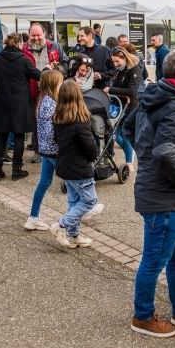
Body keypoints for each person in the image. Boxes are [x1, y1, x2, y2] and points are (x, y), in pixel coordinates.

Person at [123, 49, 175, 338]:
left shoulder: (156, 96)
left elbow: (128, 127)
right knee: (154, 259)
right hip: (164, 197)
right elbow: (164, 151)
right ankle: (143, 316)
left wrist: (145, 158)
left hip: (166, 194)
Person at [51, 80, 104, 248]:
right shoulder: (80, 121)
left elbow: (55, 140)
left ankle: (74, 235)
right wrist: (93, 157)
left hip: (65, 166)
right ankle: (60, 225)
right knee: (90, 201)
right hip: (79, 168)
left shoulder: (58, 118)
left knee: (74, 202)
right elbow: (91, 148)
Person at [0, 33, 41, 181]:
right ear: (19, 44)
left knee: (1, 135)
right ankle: (17, 170)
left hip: (2, 103)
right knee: (19, 136)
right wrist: (50, 70)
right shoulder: (24, 61)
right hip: (20, 105)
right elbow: (38, 75)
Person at [22, 22, 69, 163]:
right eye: (33, 35)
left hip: (52, 91)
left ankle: (56, 148)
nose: (36, 38)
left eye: (38, 35)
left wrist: (58, 68)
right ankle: (38, 151)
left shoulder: (55, 46)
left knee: (55, 120)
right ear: (28, 34)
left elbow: (65, 62)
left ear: (45, 34)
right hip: (32, 90)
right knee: (37, 121)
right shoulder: (23, 49)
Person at [24, 70, 64, 231]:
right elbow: (53, 129)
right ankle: (83, 210)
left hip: (45, 150)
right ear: (54, 84)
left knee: (44, 183)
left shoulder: (43, 100)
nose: (62, 85)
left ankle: (33, 217)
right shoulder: (51, 103)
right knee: (74, 182)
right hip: (54, 150)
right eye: (60, 82)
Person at [105, 47, 141, 170]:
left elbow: (132, 91)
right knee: (115, 133)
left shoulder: (134, 69)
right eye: (113, 62)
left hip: (130, 106)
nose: (115, 64)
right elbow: (117, 86)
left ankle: (129, 161)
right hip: (119, 104)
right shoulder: (119, 70)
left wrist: (111, 90)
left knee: (124, 133)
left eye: (117, 62)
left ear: (124, 58)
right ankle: (130, 150)